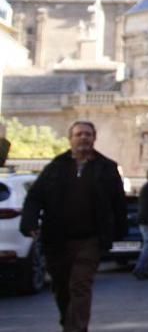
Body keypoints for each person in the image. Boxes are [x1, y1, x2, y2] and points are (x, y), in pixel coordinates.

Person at [20, 120, 127, 332]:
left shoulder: (107, 168)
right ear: (70, 139)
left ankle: (76, 329)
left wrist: (118, 231)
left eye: (87, 134)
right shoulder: (55, 167)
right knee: (61, 288)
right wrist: (30, 222)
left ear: (94, 138)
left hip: (90, 239)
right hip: (57, 239)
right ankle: (68, 323)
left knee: (80, 285)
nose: (83, 138)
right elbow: (35, 197)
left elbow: (118, 203)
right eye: (79, 134)